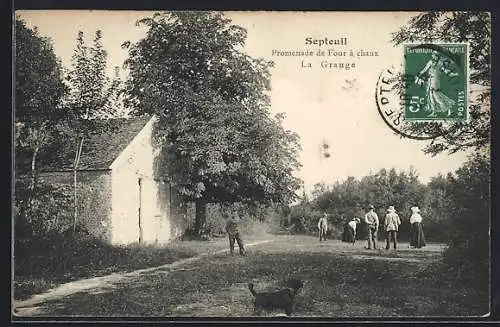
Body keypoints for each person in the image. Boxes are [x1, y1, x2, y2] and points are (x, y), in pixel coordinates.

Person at [414, 50, 460, 117]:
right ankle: (434, 112)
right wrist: (418, 77)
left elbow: (445, 70)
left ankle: (449, 109)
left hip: (435, 81)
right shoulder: (431, 62)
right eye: (433, 55)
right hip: (429, 80)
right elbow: (424, 70)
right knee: (431, 96)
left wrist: (453, 74)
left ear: (438, 56)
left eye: (435, 55)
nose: (434, 56)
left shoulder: (440, 62)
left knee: (436, 95)